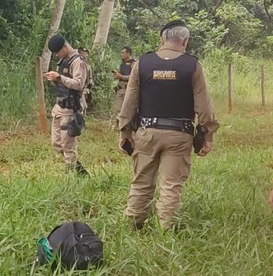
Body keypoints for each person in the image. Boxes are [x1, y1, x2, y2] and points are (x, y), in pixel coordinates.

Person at [117, 20, 220, 230]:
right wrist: (207, 136)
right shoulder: (192, 66)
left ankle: (133, 227)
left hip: (147, 133)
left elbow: (129, 103)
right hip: (179, 135)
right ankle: (166, 231)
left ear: (162, 39)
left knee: (141, 182)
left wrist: (125, 133)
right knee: (171, 186)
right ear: (185, 40)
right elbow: (204, 106)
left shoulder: (142, 63)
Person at [44, 35, 89, 175]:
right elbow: (63, 83)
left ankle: (71, 176)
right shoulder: (63, 60)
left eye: (58, 51)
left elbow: (78, 84)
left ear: (65, 46)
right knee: (56, 143)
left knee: (68, 145)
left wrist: (59, 77)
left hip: (71, 109)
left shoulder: (78, 62)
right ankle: (78, 169)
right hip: (59, 108)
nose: (57, 55)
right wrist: (54, 79)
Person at [113, 46, 135, 117]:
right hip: (120, 89)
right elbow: (119, 73)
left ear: (128, 53)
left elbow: (133, 77)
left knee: (127, 110)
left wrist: (122, 77)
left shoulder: (133, 64)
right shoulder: (122, 64)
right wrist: (116, 75)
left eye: (123, 53)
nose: (121, 54)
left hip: (128, 89)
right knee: (117, 109)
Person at [78, 47, 93, 115]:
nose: (84, 54)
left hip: (86, 87)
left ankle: (82, 119)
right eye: (82, 53)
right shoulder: (78, 62)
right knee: (82, 106)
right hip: (80, 86)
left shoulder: (87, 63)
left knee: (84, 105)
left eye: (85, 53)